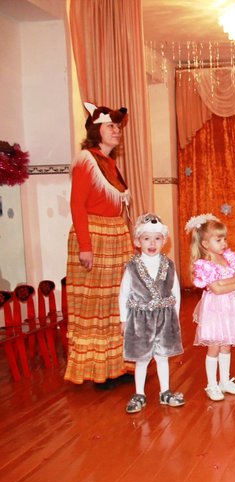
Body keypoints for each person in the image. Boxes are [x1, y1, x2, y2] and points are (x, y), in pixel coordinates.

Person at [65, 102, 134, 388]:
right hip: (95, 237)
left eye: (118, 127)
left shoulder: (109, 163)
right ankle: (98, 370)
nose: (117, 131)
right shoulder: (86, 160)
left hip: (115, 237)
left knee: (117, 302)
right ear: (96, 131)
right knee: (96, 306)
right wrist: (85, 246)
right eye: (111, 126)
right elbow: (77, 205)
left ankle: (118, 365)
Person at [119, 213, 184, 414]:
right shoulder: (132, 267)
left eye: (157, 238)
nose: (152, 243)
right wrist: (123, 319)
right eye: (147, 238)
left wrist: (175, 317)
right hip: (140, 320)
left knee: (162, 356)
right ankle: (139, 393)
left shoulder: (169, 265)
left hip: (165, 318)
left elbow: (175, 292)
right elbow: (124, 294)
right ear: (137, 242)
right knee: (142, 359)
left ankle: (165, 391)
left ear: (164, 241)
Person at [186, 214, 235, 401]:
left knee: (226, 345)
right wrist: (234, 284)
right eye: (218, 240)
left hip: (230, 307)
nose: (224, 243)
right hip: (215, 309)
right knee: (214, 346)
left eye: (224, 239)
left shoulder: (227, 258)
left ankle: (224, 380)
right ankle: (211, 384)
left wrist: (228, 283)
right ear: (205, 244)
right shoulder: (204, 265)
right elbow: (216, 289)